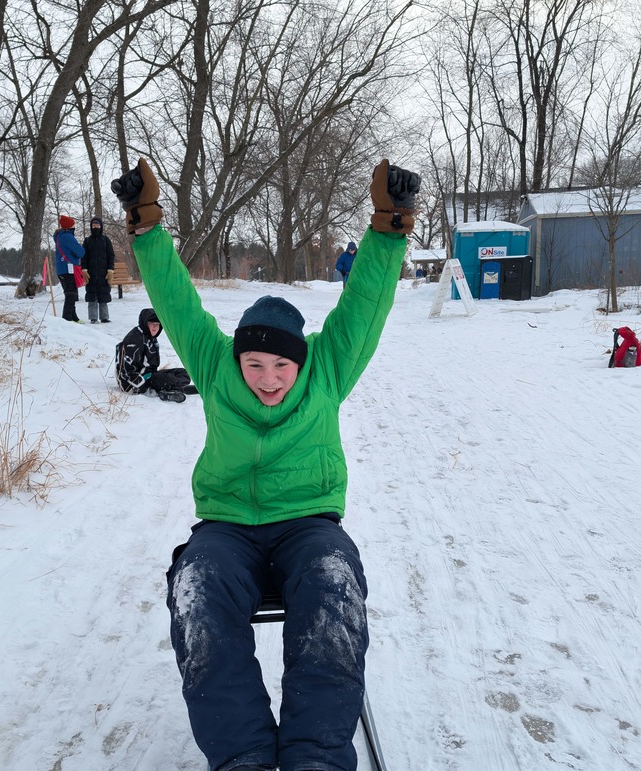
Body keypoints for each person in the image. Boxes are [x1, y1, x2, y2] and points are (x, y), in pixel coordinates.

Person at [112, 156, 420, 771]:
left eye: (282, 366)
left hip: (309, 524)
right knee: (196, 590)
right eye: (255, 365)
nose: (269, 378)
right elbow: (176, 299)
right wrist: (145, 225)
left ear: (301, 362)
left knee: (334, 583)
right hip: (226, 527)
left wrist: (389, 228)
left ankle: (316, 755)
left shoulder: (327, 370)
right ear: (237, 359)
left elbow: (364, 307)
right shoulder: (213, 364)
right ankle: (243, 754)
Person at [115, 307, 198, 403]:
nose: (155, 327)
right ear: (144, 323)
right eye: (151, 323)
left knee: (183, 372)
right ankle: (170, 390)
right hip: (133, 384)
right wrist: (147, 388)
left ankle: (173, 388)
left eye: (157, 324)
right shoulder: (134, 341)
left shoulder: (148, 336)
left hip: (149, 375)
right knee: (167, 378)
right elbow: (126, 372)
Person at [81, 216, 116, 323]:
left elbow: (111, 255)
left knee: (103, 295)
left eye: (97, 225)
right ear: (91, 227)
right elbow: (84, 257)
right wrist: (84, 269)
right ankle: (93, 317)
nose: (95, 227)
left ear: (101, 226)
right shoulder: (87, 241)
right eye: (93, 225)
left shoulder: (106, 240)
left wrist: (110, 269)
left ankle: (104, 317)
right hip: (91, 273)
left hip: (103, 273)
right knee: (92, 296)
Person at [53, 215, 84, 322]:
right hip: (68, 269)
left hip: (61, 269)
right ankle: (67, 318)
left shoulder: (59, 236)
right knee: (71, 294)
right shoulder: (67, 237)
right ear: (69, 226)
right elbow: (81, 252)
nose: (74, 226)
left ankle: (74, 317)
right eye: (73, 224)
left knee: (70, 293)